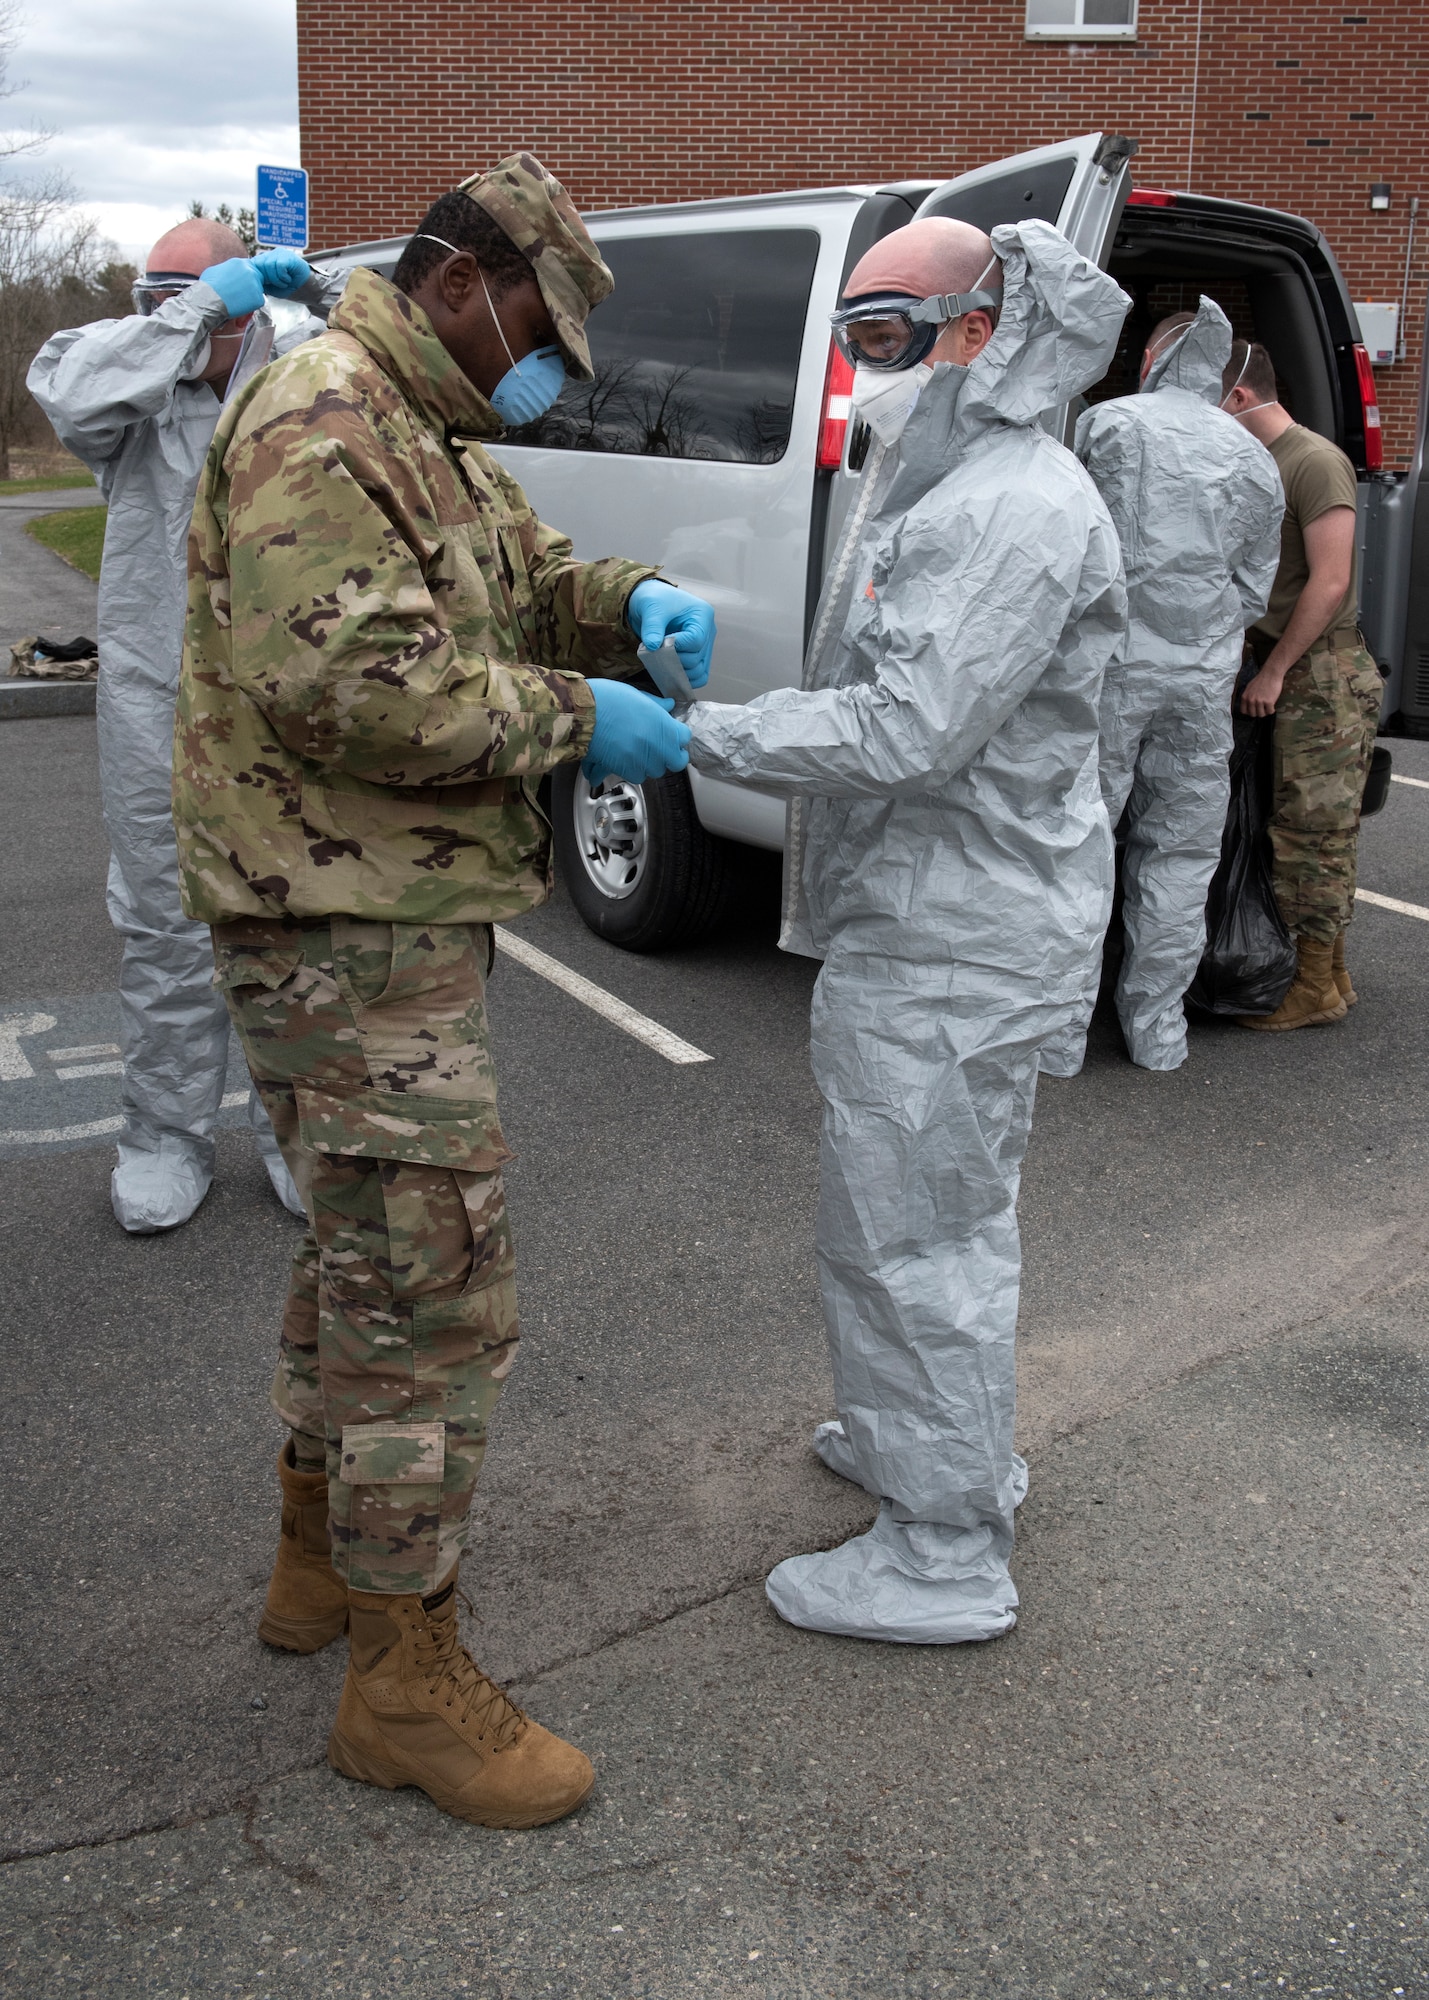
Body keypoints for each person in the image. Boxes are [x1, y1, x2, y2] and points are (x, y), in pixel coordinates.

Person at [174, 155, 711, 1828]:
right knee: (431, 1291)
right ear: (466, 278)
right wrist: (576, 717)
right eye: (538, 321)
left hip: (367, 914)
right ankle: (402, 1684)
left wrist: (622, 606)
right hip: (337, 925)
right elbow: (360, 691)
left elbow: (515, 576)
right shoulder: (322, 421)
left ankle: (316, 1568)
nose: (542, 357)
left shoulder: (418, 430)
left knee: (361, 1256)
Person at [684, 216, 1129, 1643]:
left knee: (914, 1239)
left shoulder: (1011, 503)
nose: (865, 372)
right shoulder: (954, 484)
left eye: (886, 339)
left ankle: (942, 1550)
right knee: (920, 1217)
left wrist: (701, 733)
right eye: (853, 339)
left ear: (983, 336)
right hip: (936, 915)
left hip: (961, 934)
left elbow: (908, 726)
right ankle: (919, 1441)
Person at [28, 219, 342, 1232]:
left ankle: (296, 1137)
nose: (170, 315)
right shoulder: (116, 382)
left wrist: (332, 303)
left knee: (287, 924)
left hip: (273, 703)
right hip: (152, 698)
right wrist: (200, 302)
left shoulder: (290, 373)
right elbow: (71, 395)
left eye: (193, 296)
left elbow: (395, 396)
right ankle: (164, 1136)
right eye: (157, 296)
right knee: (164, 924)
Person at [1039, 298, 1284, 1076]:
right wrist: (1204, 635)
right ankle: (1157, 1031)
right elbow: (1254, 588)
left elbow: (1078, 547)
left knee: (1082, 842)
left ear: (1154, 360)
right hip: (1201, 679)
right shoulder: (1254, 459)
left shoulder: (1112, 426)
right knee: (1179, 852)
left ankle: (1059, 1036)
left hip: (1113, 671)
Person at [1222, 340, 1383, 1028]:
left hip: (1319, 673)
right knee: (1302, 826)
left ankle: (1312, 987)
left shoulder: (1312, 461)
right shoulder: (1263, 463)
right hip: (1290, 663)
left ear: (1235, 397)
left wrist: (1278, 668)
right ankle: (1332, 973)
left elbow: (1331, 579)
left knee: (1311, 834)